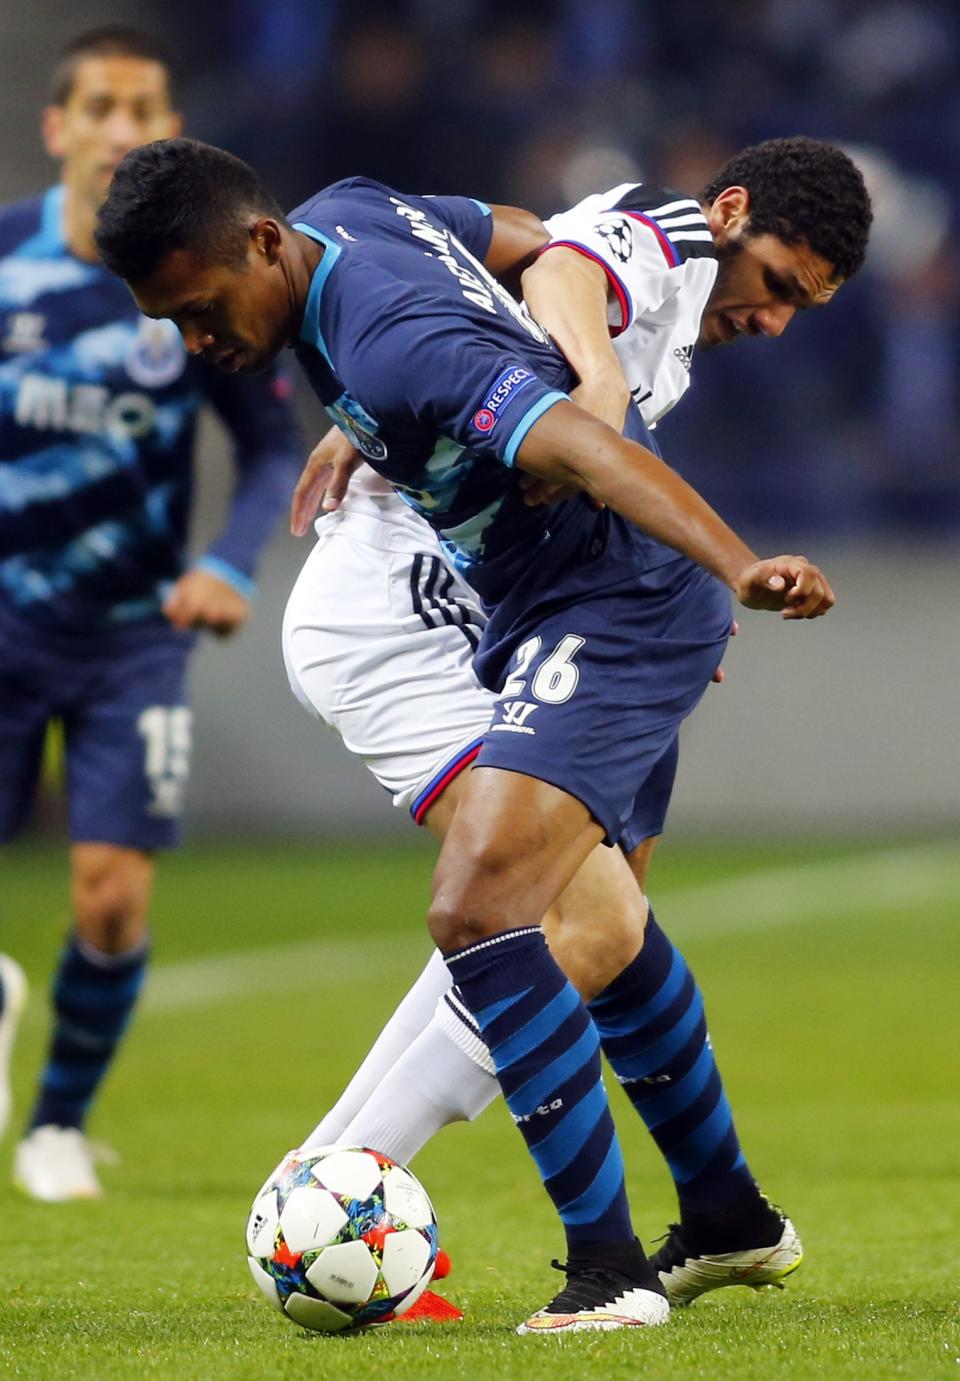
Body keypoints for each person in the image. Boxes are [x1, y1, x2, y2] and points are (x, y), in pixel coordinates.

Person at [94, 136, 869, 1334]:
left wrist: (727, 548)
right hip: (537, 599)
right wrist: (380, 411)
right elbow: (532, 245)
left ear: (260, 244)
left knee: (503, 913)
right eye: (777, 284)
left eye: (198, 311)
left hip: (595, 602)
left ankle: (536, 1247)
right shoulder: (368, 232)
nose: (196, 342)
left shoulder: (400, 325)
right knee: (595, 919)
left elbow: (568, 413)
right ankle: (723, 1218)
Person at [0, 30, 302, 1202]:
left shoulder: (194, 273)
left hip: (132, 632)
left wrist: (230, 561)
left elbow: (272, 442)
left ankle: (58, 1126)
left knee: (113, 895)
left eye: (145, 107)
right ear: (58, 125)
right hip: (5, 617)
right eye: (103, 106)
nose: (123, 127)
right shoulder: (7, 261)